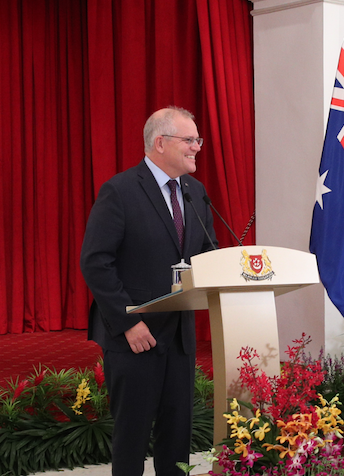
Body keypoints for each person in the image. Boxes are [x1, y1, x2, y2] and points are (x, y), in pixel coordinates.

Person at [80, 106, 217, 476]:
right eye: (189, 140)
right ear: (161, 143)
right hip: (135, 337)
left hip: (179, 338)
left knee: (177, 436)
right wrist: (128, 321)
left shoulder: (195, 191)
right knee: (133, 437)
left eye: (197, 140)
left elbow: (208, 253)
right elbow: (95, 261)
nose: (196, 148)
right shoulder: (121, 190)